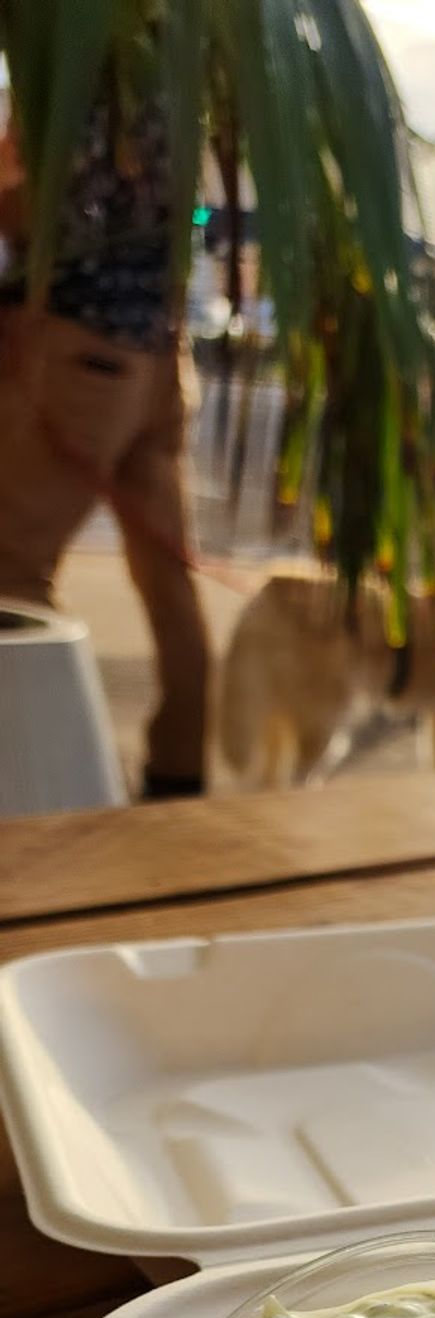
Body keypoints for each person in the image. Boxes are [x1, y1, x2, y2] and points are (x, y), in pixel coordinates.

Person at [0, 87, 210, 797]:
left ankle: (43, 781)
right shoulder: (180, 65)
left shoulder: (82, 65)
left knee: (12, 573)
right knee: (167, 580)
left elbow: (43, 213)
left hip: (83, 351)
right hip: (159, 357)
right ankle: (180, 775)